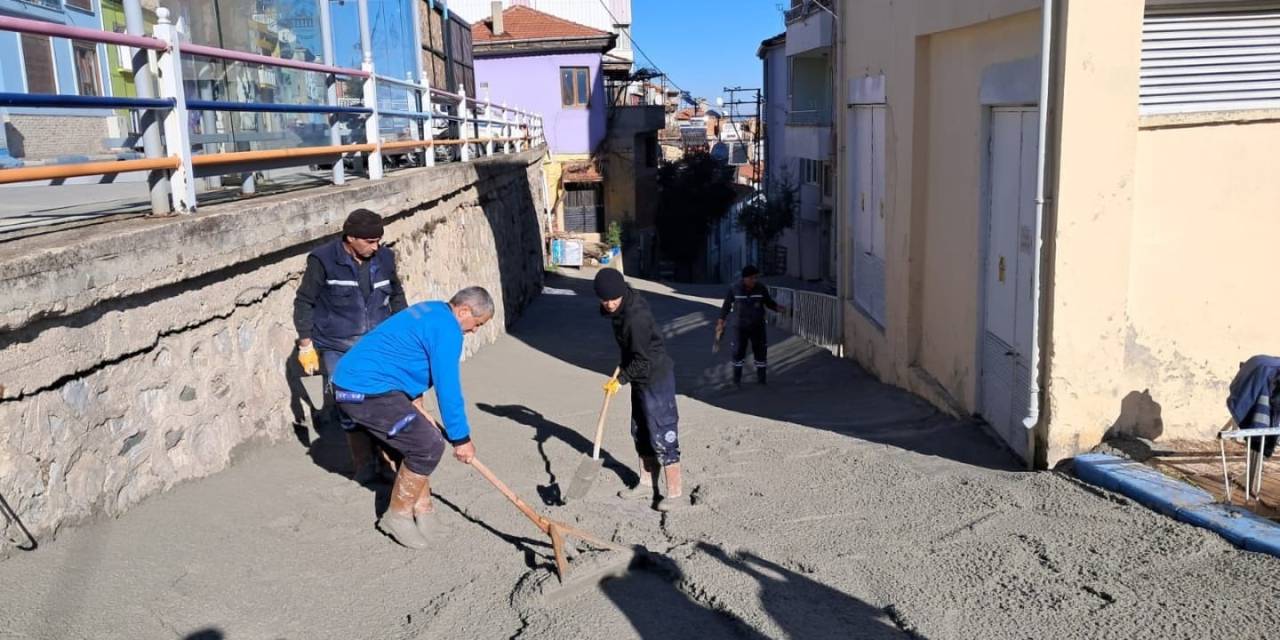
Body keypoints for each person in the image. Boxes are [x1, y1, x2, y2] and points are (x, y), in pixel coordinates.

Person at [331, 287, 494, 549]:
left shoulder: (433, 310)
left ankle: (424, 509)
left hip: (372, 382)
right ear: (464, 311)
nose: (475, 330)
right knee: (427, 445)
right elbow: (448, 386)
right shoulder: (448, 330)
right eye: (478, 323)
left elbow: (405, 353)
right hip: (362, 389)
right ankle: (398, 515)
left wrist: (416, 399)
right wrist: (461, 438)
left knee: (418, 437)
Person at [293, 208, 407, 483]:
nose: (376, 246)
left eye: (379, 240)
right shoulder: (323, 260)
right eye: (370, 241)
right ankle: (363, 464)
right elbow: (304, 301)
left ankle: (387, 460)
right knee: (350, 404)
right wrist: (305, 344)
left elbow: (397, 295)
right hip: (337, 345)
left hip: (378, 345)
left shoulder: (385, 258)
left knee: (383, 403)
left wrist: (403, 333)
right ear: (351, 237)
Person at [594, 269, 687, 512]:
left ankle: (675, 492)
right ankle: (646, 482)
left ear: (622, 294)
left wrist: (620, 379)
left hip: (656, 377)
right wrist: (625, 366)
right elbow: (633, 350)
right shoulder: (620, 308)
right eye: (605, 300)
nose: (610, 304)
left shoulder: (636, 317)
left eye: (614, 299)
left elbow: (643, 360)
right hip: (639, 375)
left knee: (662, 430)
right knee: (640, 430)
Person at [717, 265, 785, 387]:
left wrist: (777, 308)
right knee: (738, 351)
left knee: (760, 351)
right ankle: (736, 380)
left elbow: (768, 302)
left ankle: (762, 380)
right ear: (745, 278)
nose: (754, 280)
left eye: (756, 278)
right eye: (752, 278)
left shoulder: (761, 288)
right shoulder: (734, 288)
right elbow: (726, 305)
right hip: (740, 326)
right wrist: (721, 321)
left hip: (757, 326)